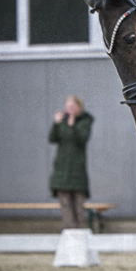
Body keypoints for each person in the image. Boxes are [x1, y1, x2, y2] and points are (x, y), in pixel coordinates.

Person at [48, 95, 94, 229]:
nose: (70, 109)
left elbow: (82, 139)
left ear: (79, 107)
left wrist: (72, 125)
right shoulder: (61, 121)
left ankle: (80, 235)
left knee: (79, 208)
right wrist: (56, 123)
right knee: (66, 208)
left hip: (78, 171)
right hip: (61, 171)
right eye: (68, 107)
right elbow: (52, 138)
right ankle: (70, 236)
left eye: (73, 106)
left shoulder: (85, 121)